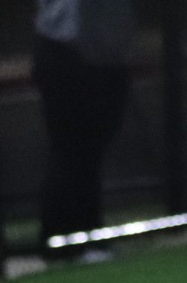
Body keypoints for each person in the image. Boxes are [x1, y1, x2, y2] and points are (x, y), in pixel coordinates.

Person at [33, 0, 136, 262]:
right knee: (71, 149)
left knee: (87, 151)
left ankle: (87, 237)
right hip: (69, 51)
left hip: (96, 53)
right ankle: (63, 242)